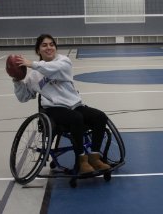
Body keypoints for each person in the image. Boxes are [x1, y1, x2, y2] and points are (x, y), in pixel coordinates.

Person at [11, 34, 111, 175]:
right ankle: (81, 160)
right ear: (38, 50)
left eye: (52, 44)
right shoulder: (34, 76)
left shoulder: (64, 61)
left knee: (100, 116)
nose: (49, 47)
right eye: (44, 45)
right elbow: (23, 96)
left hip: (74, 105)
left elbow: (51, 68)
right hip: (54, 109)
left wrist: (32, 64)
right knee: (76, 118)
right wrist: (16, 80)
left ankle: (95, 157)